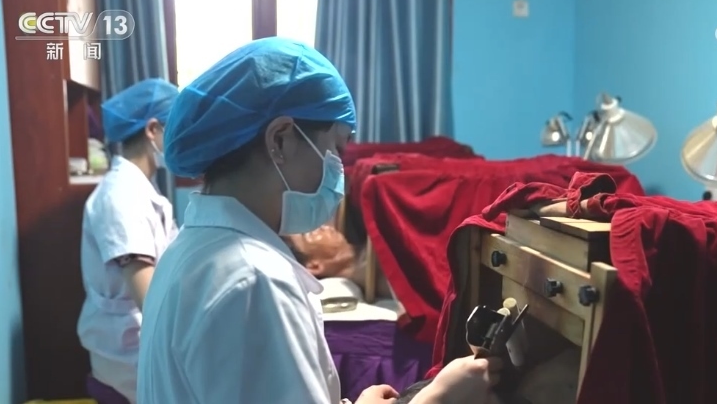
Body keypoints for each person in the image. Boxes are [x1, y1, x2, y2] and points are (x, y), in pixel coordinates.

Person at [135, 37, 501, 404]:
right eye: (336, 150)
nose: (339, 171)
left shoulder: (189, 249)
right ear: (280, 140)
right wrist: (438, 398)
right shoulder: (255, 281)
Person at [77, 78, 180, 403]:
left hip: (137, 344)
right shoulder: (121, 196)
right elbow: (149, 298)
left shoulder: (144, 191)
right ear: (153, 130)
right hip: (127, 356)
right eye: (177, 128)